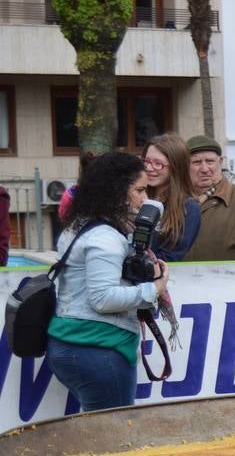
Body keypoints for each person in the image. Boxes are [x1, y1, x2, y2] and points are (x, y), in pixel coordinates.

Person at [46, 152, 169, 412]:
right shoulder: (105, 237)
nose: (145, 199)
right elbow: (103, 299)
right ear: (117, 191)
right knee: (113, 441)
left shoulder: (78, 226)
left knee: (99, 436)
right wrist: (155, 288)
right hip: (98, 348)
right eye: (140, 190)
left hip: (71, 345)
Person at [140, 133, 201, 261]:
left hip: (158, 277)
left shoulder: (188, 208)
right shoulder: (136, 197)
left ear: (176, 167)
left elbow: (171, 257)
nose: (149, 168)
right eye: (146, 161)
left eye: (158, 164)